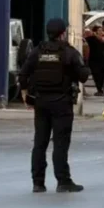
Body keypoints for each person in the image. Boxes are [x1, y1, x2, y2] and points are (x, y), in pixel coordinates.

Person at [20, 18, 91, 193]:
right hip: (62, 103)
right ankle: (63, 181)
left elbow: (23, 74)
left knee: (40, 143)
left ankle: (38, 182)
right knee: (60, 143)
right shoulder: (69, 52)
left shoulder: (37, 52)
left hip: (41, 102)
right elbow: (83, 76)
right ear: (63, 33)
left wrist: (25, 95)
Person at [85, 25, 104, 96]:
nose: (101, 32)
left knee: (102, 74)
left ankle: (101, 89)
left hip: (103, 59)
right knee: (96, 74)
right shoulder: (91, 38)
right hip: (93, 60)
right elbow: (83, 39)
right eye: (99, 30)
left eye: (101, 30)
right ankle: (99, 89)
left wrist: (97, 36)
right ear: (95, 32)